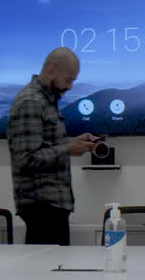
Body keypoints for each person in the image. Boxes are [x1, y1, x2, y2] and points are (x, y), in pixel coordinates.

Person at [6, 47, 100, 245]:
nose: (71, 86)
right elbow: (26, 159)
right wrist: (67, 148)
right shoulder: (31, 102)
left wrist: (73, 143)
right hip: (42, 207)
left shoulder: (46, 101)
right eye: (68, 79)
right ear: (51, 69)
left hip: (51, 206)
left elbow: (44, 146)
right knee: (45, 272)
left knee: (54, 271)